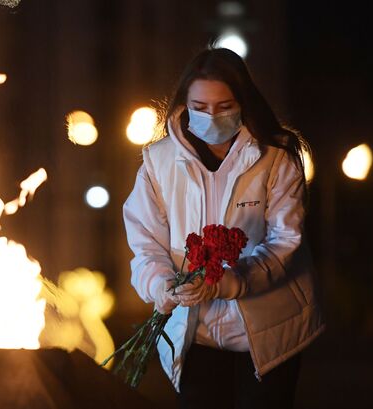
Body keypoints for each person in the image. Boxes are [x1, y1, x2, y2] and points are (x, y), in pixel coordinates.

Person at [122, 47, 325, 409]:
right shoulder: (159, 161)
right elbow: (146, 243)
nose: (211, 117)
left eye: (224, 107)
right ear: (185, 103)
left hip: (270, 333)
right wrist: (163, 286)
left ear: (243, 102)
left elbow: (285, 241)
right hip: (193, 334)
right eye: (199, 107)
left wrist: (234, 280)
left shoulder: (275, 156)